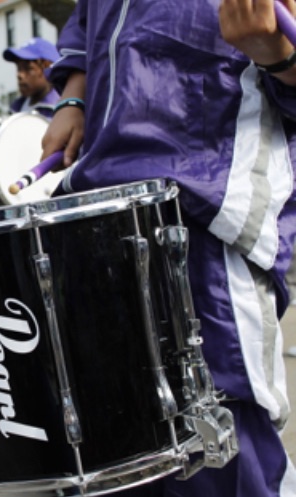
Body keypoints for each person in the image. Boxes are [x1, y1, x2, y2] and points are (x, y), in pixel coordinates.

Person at [41, 0, 296, 495]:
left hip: (206, 222)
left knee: (219, 456)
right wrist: (74, 98)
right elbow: (87, 27)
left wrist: (278, 56)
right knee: (111, 457)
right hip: (94, 214)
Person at [2, 37, 61, 118]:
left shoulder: (61, 110)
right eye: (19, 68)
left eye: (28, 68)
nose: (20, 75)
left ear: (48, 67)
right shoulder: (16, 109)